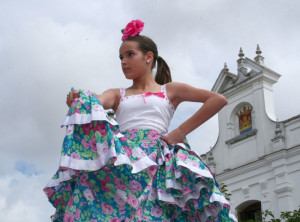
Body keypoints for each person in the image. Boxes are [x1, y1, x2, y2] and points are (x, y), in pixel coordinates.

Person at [44, 20, 237, 222]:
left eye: (129, 55)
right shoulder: (117, 94)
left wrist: (180, 132)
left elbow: (217, 99)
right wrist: (81, 98)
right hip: (126, 163)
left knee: (156, 212)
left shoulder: (169, 90)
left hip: (159, 157)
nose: (123, 62)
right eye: (120, 58)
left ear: (148, 57)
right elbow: (97, 100)